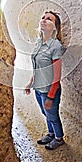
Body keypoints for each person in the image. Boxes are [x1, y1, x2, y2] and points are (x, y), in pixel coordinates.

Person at [24, 11, 66, 150]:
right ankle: (51, 133)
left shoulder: (55, 46)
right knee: (45, 113)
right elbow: (38, 68)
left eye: (49, 19)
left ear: (55, 27)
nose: (44, 20)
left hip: (49, 90)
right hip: (38, 88)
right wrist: (30, 83)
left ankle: (59, 138)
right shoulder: (38, 43)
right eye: (43, 17)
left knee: (52, 115)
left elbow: (56, 76)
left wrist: (50, 96)